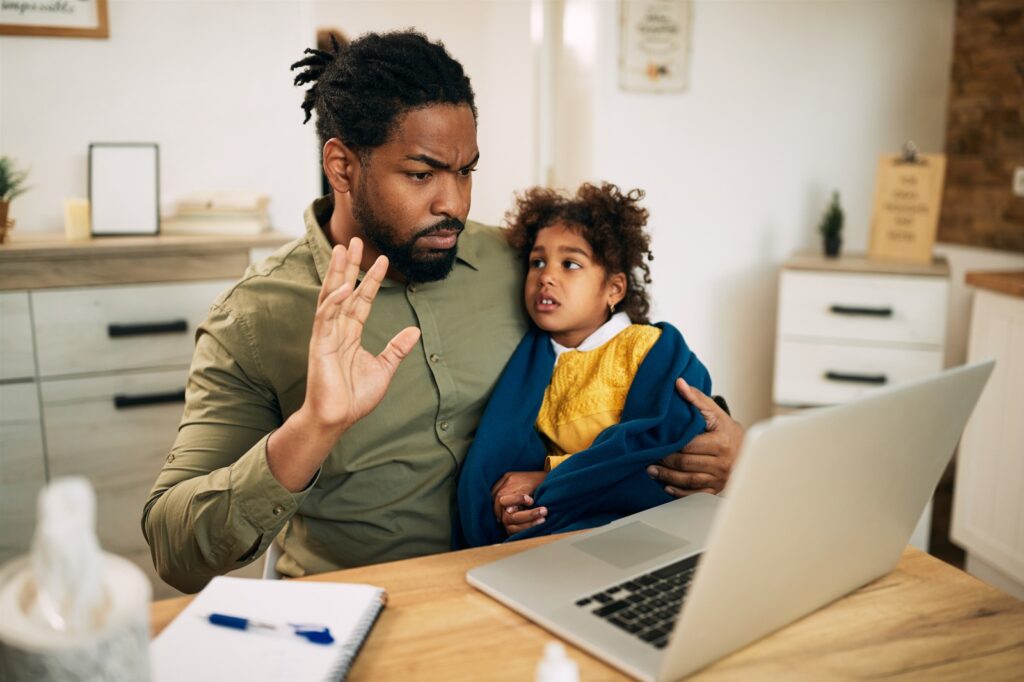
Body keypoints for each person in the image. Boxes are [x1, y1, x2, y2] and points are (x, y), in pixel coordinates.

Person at [142, 30, 744, 594]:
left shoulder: (519, 264)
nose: (453, 203)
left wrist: (724, 444)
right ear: (343, 165)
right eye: (421, 173)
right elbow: (176, 549)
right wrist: (314, 427)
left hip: (542, 576)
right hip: (372, 604)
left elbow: (624, 364)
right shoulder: (252, 319)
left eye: (465, 171)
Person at [455, 183, 713, 548]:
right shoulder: (531, 364)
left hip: (642, 530)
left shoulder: (646, 348)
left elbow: (655, 450)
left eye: (570, 264)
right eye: (537, 262)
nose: (547, 275)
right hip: (560, 539)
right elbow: (507, 461)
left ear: (615, 289)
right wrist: (519, 507)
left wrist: (548, 478)